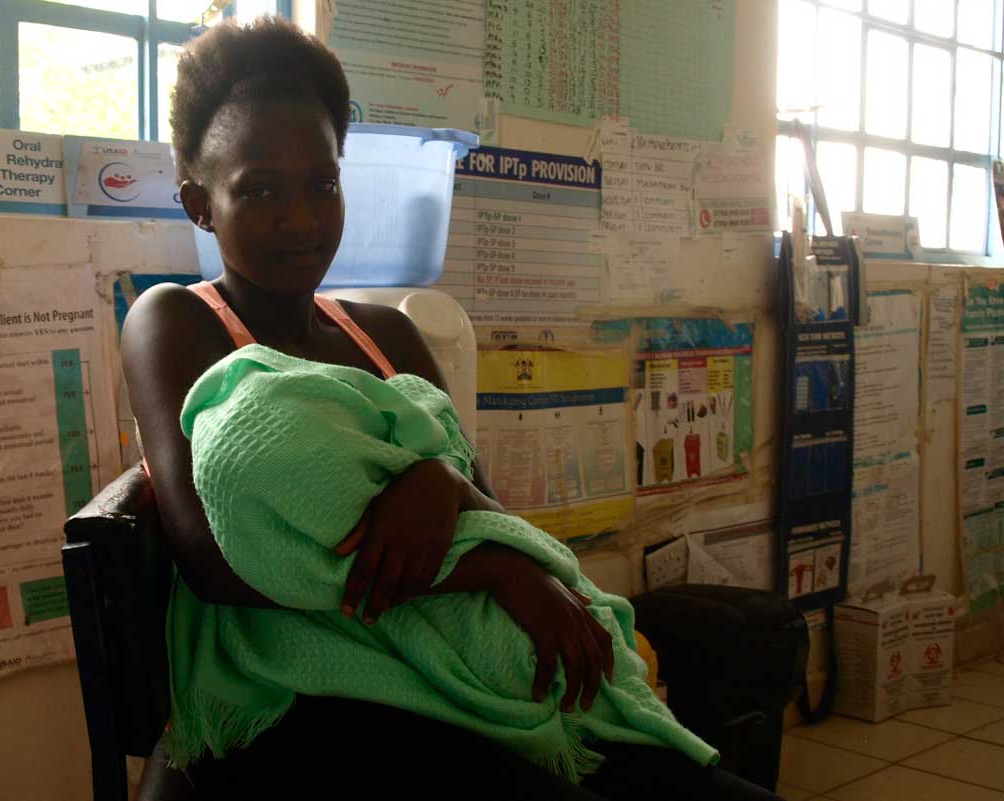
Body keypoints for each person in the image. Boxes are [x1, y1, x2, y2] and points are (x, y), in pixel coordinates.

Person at [121, 15, 784, 801]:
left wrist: (443, 486)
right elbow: (216, 559)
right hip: (307, 703)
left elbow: (485, 503)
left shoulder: (386, 333)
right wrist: (496, 567)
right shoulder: (176, 322)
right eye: (260, 190)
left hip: (451, 671)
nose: (299, 218)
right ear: (199, 204)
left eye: (321, 184)